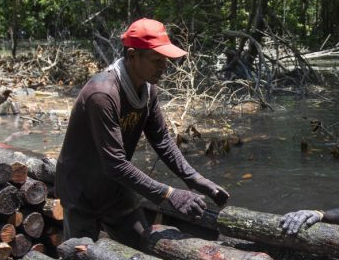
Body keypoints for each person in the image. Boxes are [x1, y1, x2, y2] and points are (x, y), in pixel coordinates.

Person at [55, 18, 228, 245]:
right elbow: (115, 163)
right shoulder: (103, 94)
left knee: (143, 245)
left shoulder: (148, 89)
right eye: (156, 60)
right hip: (81, 190)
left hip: (115, 188)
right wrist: (169, 194)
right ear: (132, 56)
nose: (163, 67)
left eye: (165, 60)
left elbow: (162, 140)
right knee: (80, 259)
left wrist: (195, 179)